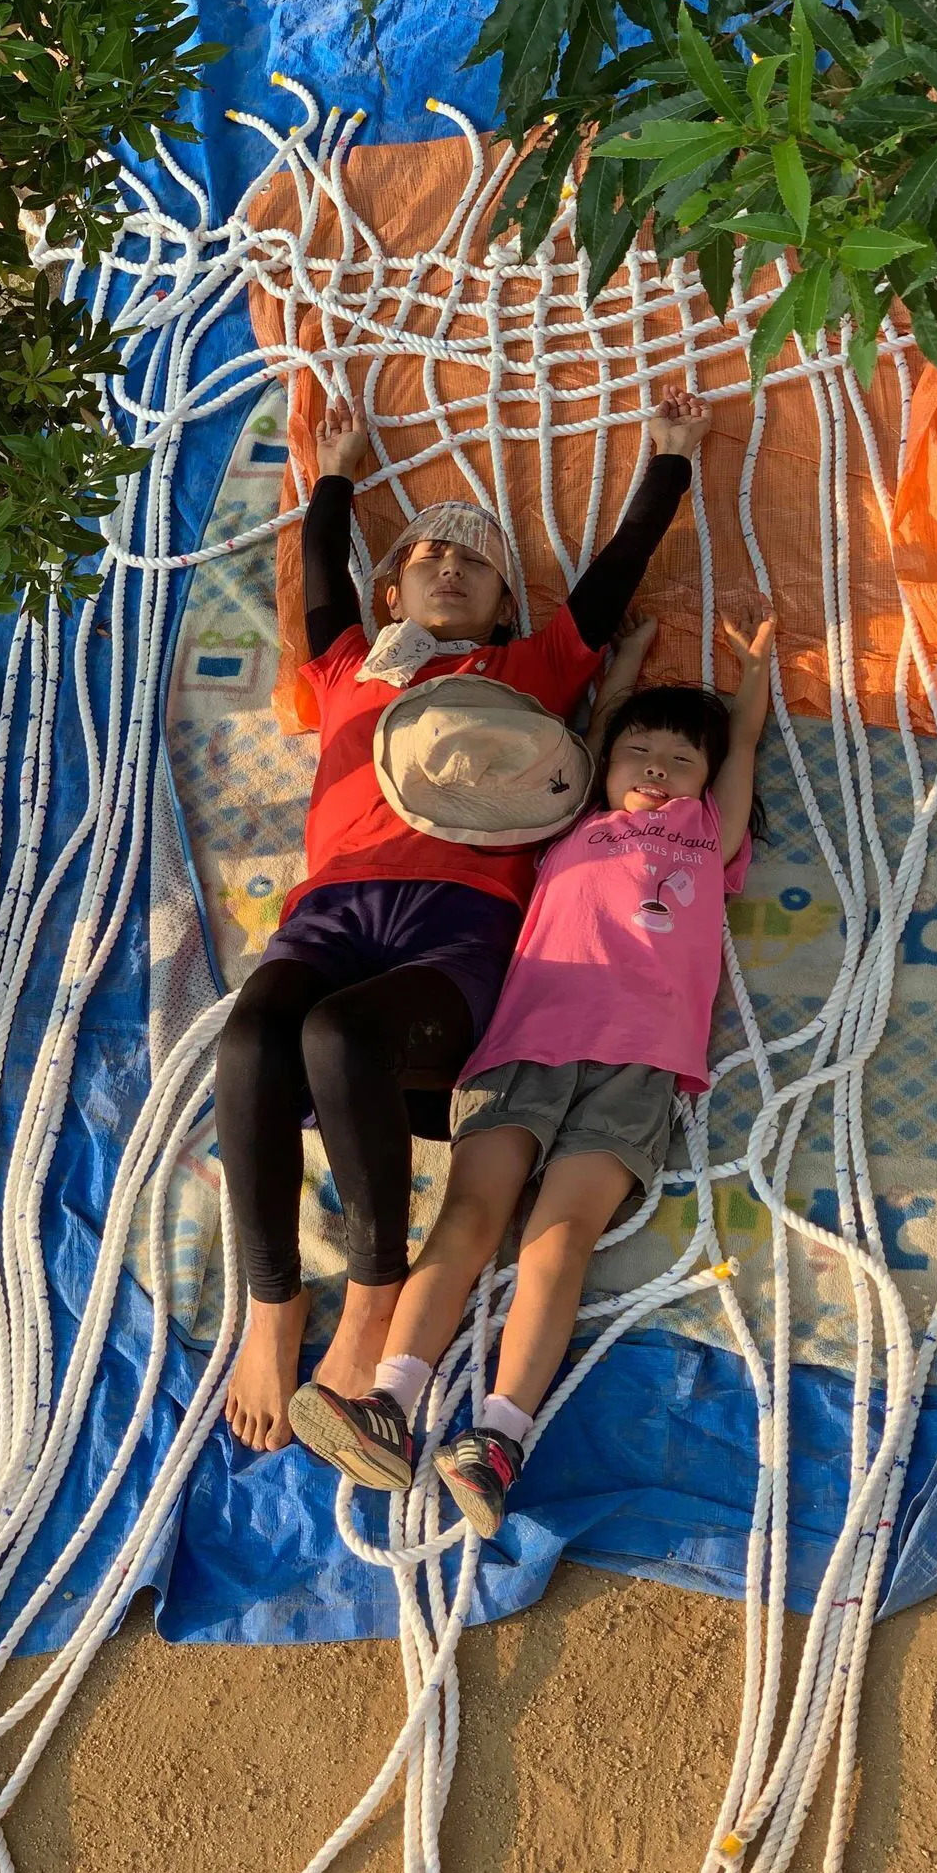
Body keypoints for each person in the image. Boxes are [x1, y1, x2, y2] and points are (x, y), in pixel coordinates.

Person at [217, 387, 715, 1451]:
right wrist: (335, 475)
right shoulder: (348, 666)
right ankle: (271, 1301)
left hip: (462, 924)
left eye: (478, 565)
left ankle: (373, 1295)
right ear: (391, 589)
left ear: (502, 609)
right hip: (331, 908)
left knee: (338, 1035)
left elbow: (614, 573)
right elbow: (320, 571)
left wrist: (669, 458)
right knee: (253, 1037)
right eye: (430, 556)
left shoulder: (531, 672)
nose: (451, 567)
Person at [288, 600, 775, 1535]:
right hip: (522, 1045)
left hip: (640, 1064)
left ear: (707, 781)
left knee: (559, 1241)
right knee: (469, 1215)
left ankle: (498, 1438)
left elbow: (743, 742)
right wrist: (625, 660)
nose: (656, 769)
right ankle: (390, 1402)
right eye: (640, 753)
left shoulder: (710, 838)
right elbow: (596, 728)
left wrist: (752, 681)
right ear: (606, 765)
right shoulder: (568, 822)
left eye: (680, 760)